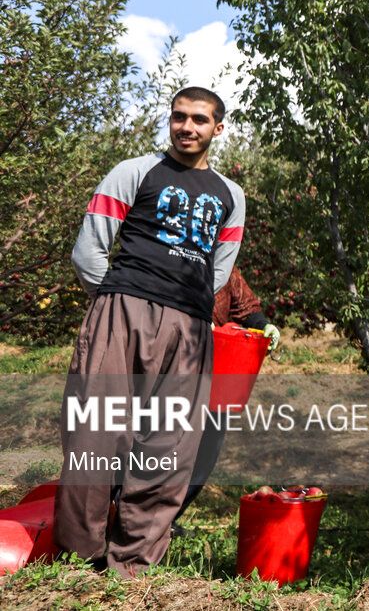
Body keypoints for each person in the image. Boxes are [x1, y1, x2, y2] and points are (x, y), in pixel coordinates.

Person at [59, 87, 245, 577]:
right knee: (96, 433)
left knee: (170, 446)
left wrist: (186, 307)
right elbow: (89, 250)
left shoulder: (232, 195)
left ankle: (132, 567)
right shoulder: (135, 171)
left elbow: (220, 270)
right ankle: (77, 559)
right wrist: (118, 298)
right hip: (122, 311)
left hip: (190, 327)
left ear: (218, 128)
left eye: (199, 119)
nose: (187, 127)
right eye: (179, 117)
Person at [171, 265, 280, 535]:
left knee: (207, 450)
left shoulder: (225, 265)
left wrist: (262, 324)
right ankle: (135, 516)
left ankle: (168, 519)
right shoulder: (173, 258)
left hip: (217, 372)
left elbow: (244, 305)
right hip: (175, 369)